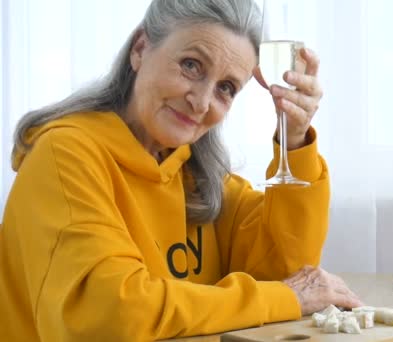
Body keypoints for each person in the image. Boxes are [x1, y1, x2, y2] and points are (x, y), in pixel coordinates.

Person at [0, 0, 362, 340]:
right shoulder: (64, 156)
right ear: (141, 48)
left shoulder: (197, 173)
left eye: (226, 88)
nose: (201, 102)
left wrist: (294, 140)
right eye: (191, 65)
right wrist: (283, 298)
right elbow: (113, 315)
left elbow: (284, 273)